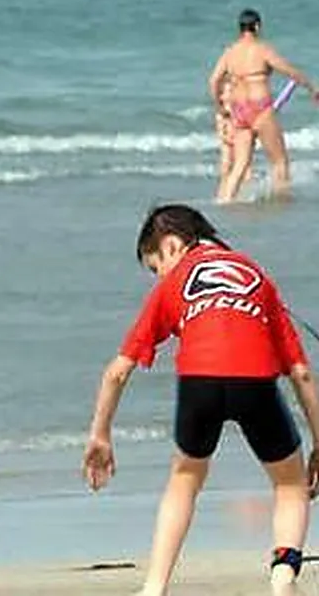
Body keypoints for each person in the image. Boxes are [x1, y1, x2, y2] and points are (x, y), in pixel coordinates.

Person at [82, 204, 319, 596]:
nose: (157, 276)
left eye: (155, 266)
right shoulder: (257, 276)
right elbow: (302, 373)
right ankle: (283, 578)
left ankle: (154, 587)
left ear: (173, 246)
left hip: (199, 381)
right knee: (291, 484)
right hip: (255, 383)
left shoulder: (172, 286)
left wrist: (100, 435)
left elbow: (116, 372)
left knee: (185, 479)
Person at [210, 9, 318, 203]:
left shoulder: (230, 52)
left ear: (240, 28)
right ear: (257, 26)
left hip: (239, 110)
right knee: (280, 162)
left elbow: (214, 81)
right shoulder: (262, 49)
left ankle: (225, 201)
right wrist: (312, 87)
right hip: (260, 109)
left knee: (240, 165)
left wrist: (219, 107)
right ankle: (282, 204)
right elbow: (289, 70)